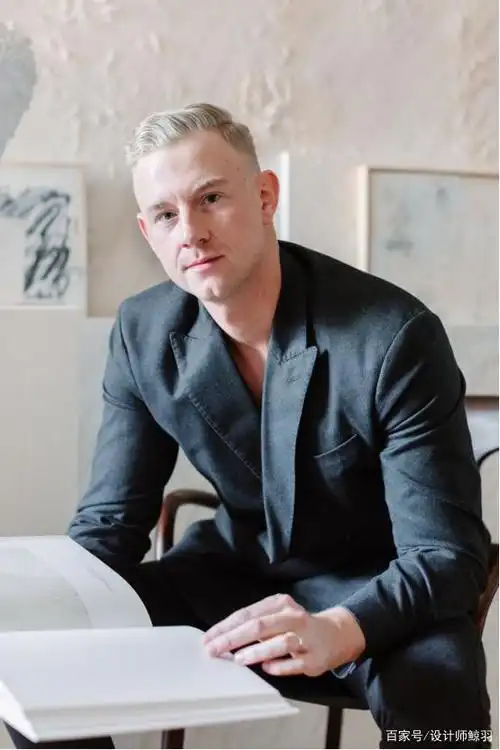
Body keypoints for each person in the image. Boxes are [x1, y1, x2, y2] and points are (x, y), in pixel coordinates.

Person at [6, 103, 492, 749]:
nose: (191, 232)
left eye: (211, 198)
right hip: (228, 573)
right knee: (40, 658)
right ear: (148, 232)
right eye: (166, 214)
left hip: (375, 582)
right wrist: (52, 608)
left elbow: (445, 555)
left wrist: (339, 628)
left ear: (264, 197)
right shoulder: (141, 331)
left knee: (441, 685)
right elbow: (110, 525)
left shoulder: (394, 336)